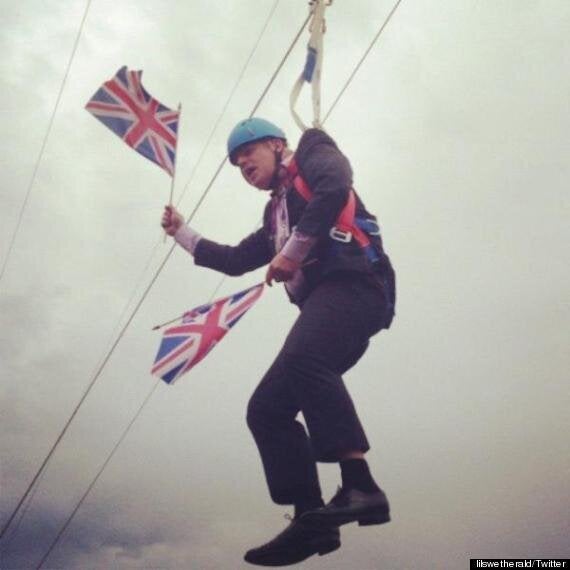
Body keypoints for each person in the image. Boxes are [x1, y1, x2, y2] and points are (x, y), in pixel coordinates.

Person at [161, 118, 396, 567]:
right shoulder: (276, 216)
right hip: (325, 310)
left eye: (248, 151)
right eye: (235, 162)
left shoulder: (312, 147)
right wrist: (181, 233)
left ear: (275, 143)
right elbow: (232, 260)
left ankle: (361, 485)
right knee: (266, 409)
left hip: (358, 288)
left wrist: (294, 251)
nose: (242, 163)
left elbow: (335, 186)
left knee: (305, 356)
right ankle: (312, 519)